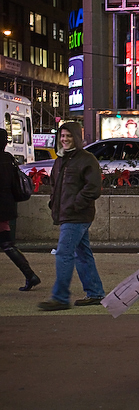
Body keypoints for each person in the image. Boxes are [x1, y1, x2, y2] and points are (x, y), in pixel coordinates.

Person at [37, 122, 106, 311]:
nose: (64, 139)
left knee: (64, 253)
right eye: (62, 136)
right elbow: (56, 185)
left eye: (68, 136)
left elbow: (93, 188)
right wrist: (55, 203)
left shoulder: (86, 159)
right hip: (70, 212)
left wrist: (75, 204)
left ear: (76, 138)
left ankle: (60, 297)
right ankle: (95, 292)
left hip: (77, 215)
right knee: (82, 253)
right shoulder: (61, 159)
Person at [0, 129, 41, 291]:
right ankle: (30, 275)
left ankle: (30, 275)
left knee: (7, 244)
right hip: (7, 207)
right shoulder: (8, 158)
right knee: (7, 244)